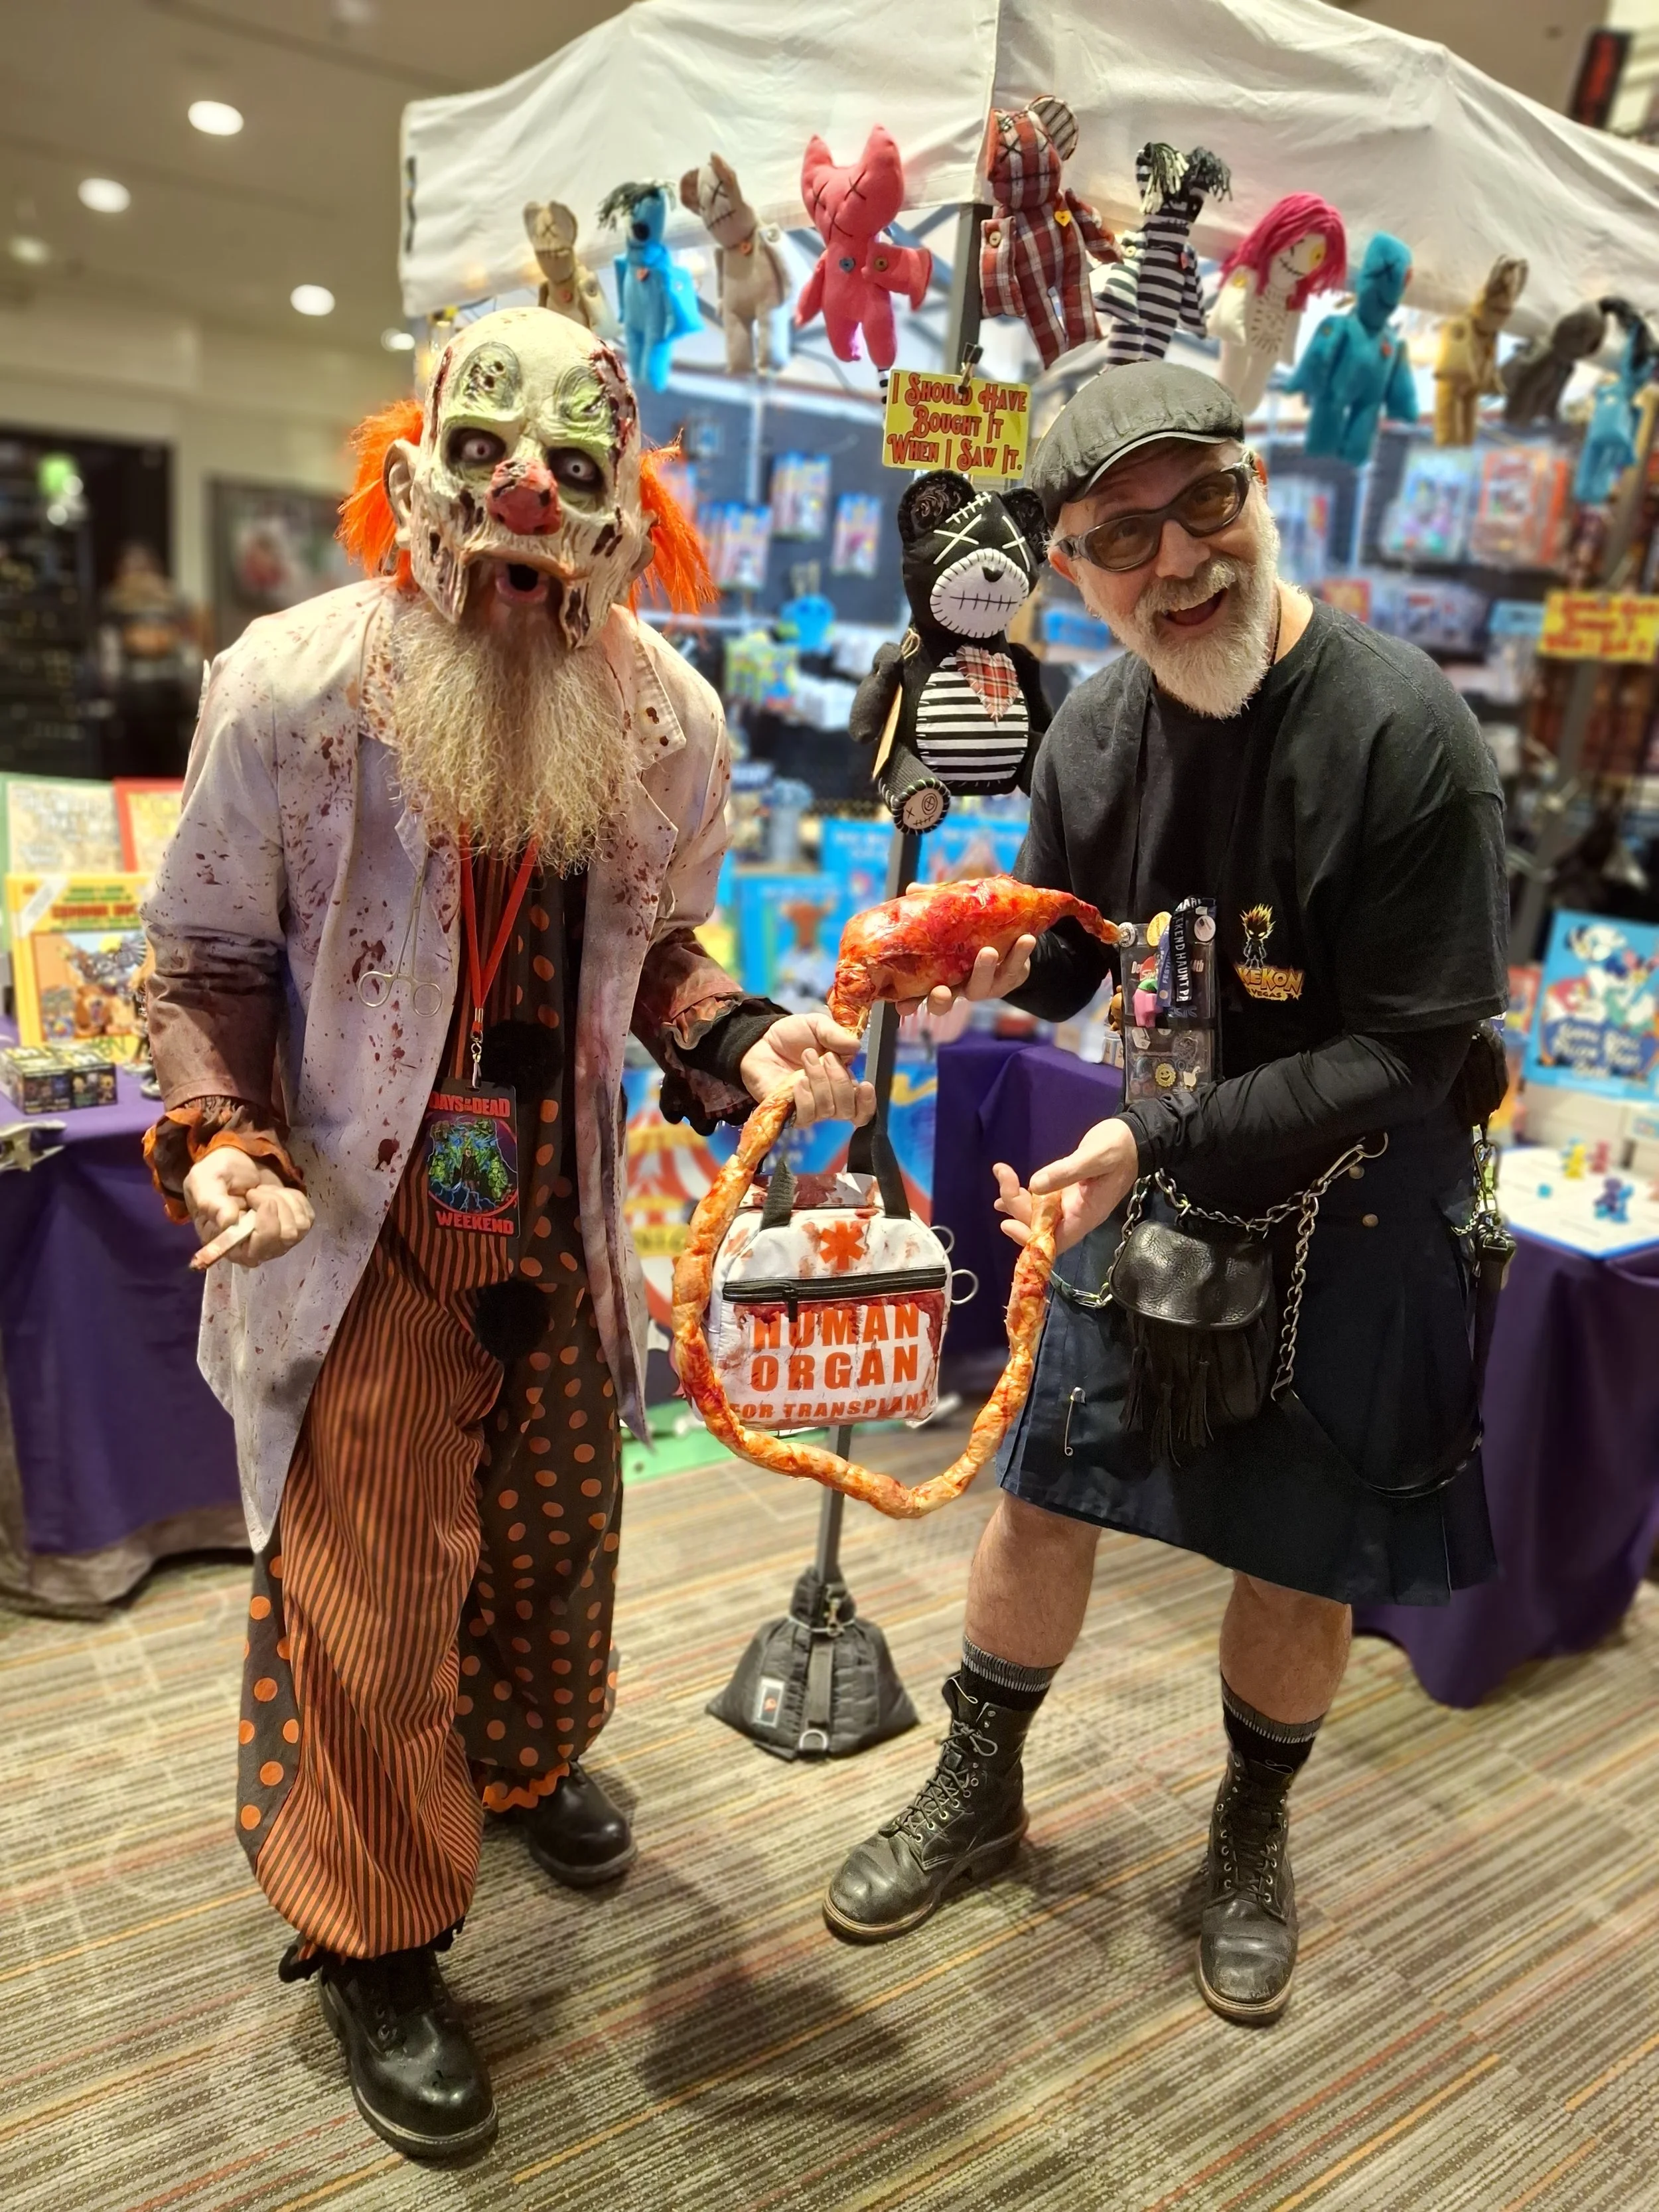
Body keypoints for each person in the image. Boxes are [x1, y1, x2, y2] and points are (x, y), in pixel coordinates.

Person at [142, 306, 871, 2161]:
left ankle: (528, 1761)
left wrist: (735, 1034)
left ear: (622, 514)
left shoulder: (664, 717)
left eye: (565, 475)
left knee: (554, 1531)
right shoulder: (294, 690)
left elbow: (665, 950)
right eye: (483, 460)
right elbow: (205, 953)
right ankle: (378, 1930)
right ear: (417, 482)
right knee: (375, 1586)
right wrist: (220, 1133)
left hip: (552, 1204)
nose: (523, 506)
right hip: (367, 1213)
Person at [824, 362, 1508, 2027]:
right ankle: (980, 1791)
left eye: (1205, 500)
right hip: (1166, 1169)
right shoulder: (1094, 723)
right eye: (1122, 534)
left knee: (1297, 1554)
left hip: (1356, 1196)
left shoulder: (1404, 730)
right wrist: (992, 966)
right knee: (1041, 1497)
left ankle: (1245, 1837)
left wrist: (1150, 1138)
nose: (1178, 557)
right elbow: (1085, 965)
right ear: (1063, 567)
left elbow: (1412, 1058)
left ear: (1254, 484)